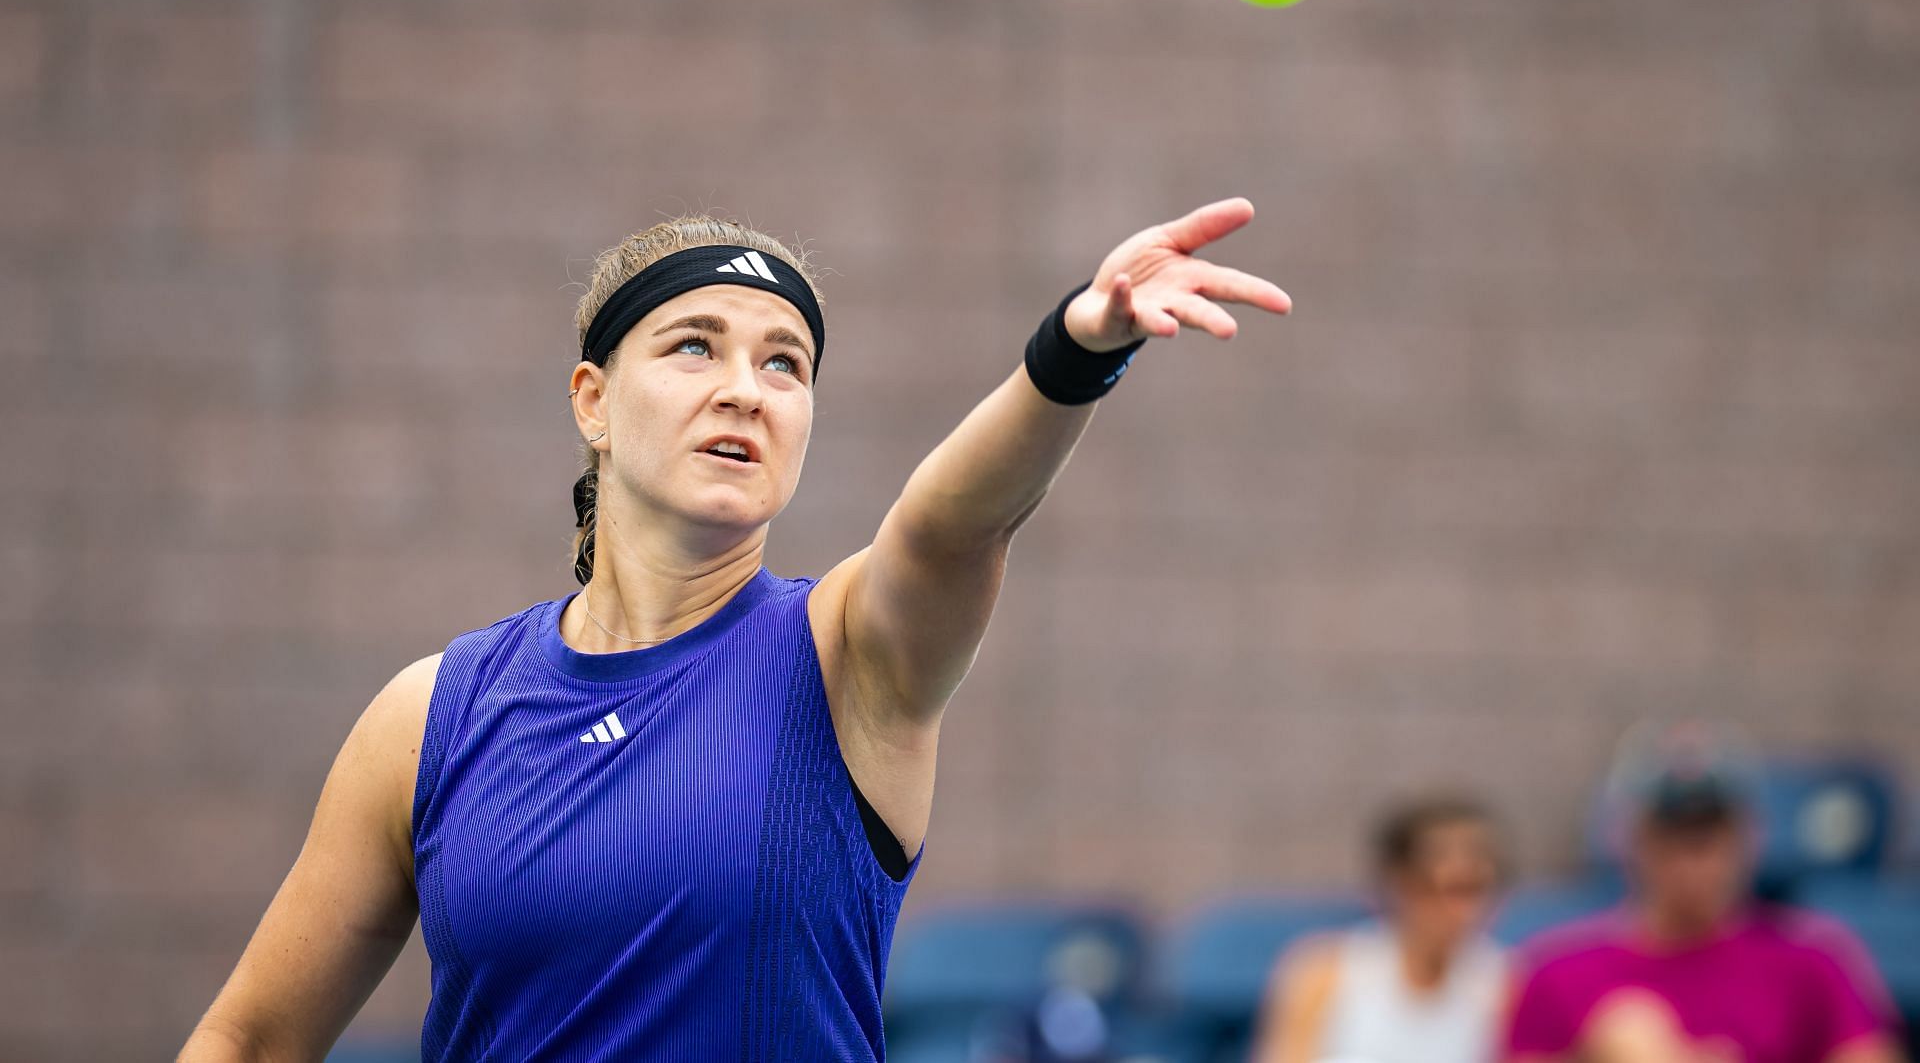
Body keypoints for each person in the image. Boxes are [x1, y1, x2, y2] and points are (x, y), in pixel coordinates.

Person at [177, 202, 1291, 1061]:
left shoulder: (848, 655)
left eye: (784, 364)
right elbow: (252, 1040)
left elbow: (953, 526)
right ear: (593, 403)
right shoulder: (434, 715)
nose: (746, 390)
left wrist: (1077, 350)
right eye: (694, 347)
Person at [1506, 725, 1906, 1063]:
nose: (1692, 862)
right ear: (1631, 839)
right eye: (1673, 836)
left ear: (1747, 838)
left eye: (1709, 838)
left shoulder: (1811, 963)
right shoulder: (1557, 972)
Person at [1251, 795, 1509, 1063]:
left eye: (1475, 890)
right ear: (1399, 884)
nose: (1462, 912)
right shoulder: (1322, 974)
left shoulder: (1501, 985)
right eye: (1439, 890)